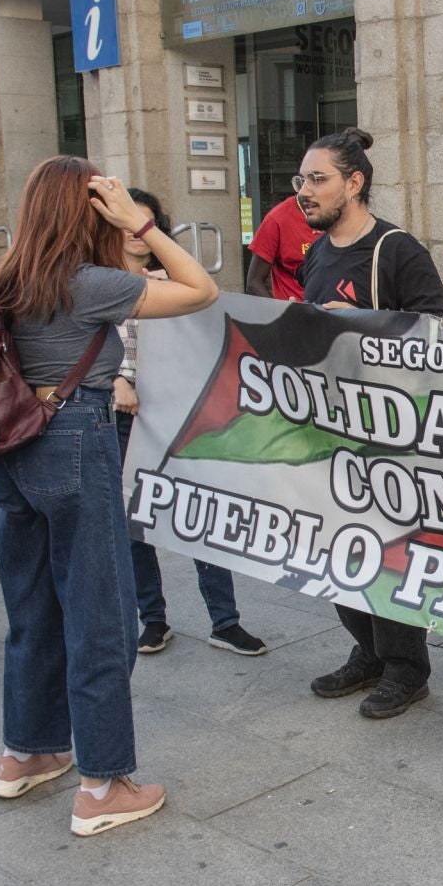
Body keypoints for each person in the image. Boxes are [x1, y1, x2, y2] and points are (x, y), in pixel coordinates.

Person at [0, 157, 218, 837]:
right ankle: (103, 783)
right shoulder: (88, 284)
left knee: (31, 610)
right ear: (90, 212)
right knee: (100, 615)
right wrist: (138, 221)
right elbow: (199, 288)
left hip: (9, 448)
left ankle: (23, 753)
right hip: (75, 439)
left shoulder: (8, 275)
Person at [294, 126, 443, 719]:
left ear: (354, 183)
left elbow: (440, 332)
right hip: (330, 427)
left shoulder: (397, 250)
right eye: (300, 180)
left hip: (393, 433)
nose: (304, 191)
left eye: (318, 179)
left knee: (390, 550)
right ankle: (368, 651)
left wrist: (364, 320)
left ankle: (408, 668)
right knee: (338, 546)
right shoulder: (316, 253)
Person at [114, 187, 269, 658]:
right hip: (122, 416)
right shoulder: (97, 281)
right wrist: (119, 380)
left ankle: (225, 621)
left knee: (202, 513)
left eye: (147, 225)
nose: (137, 235)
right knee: (135, 520)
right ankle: (152, 619)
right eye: (127, 224)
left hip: (182, 413)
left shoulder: (176, 279)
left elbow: (211, 312)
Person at [246, 192, 318, 301]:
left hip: (337, 310)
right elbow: (254, 283)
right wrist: (277, 312)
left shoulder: (341, 214)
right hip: (293, 310)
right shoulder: (277, 218)